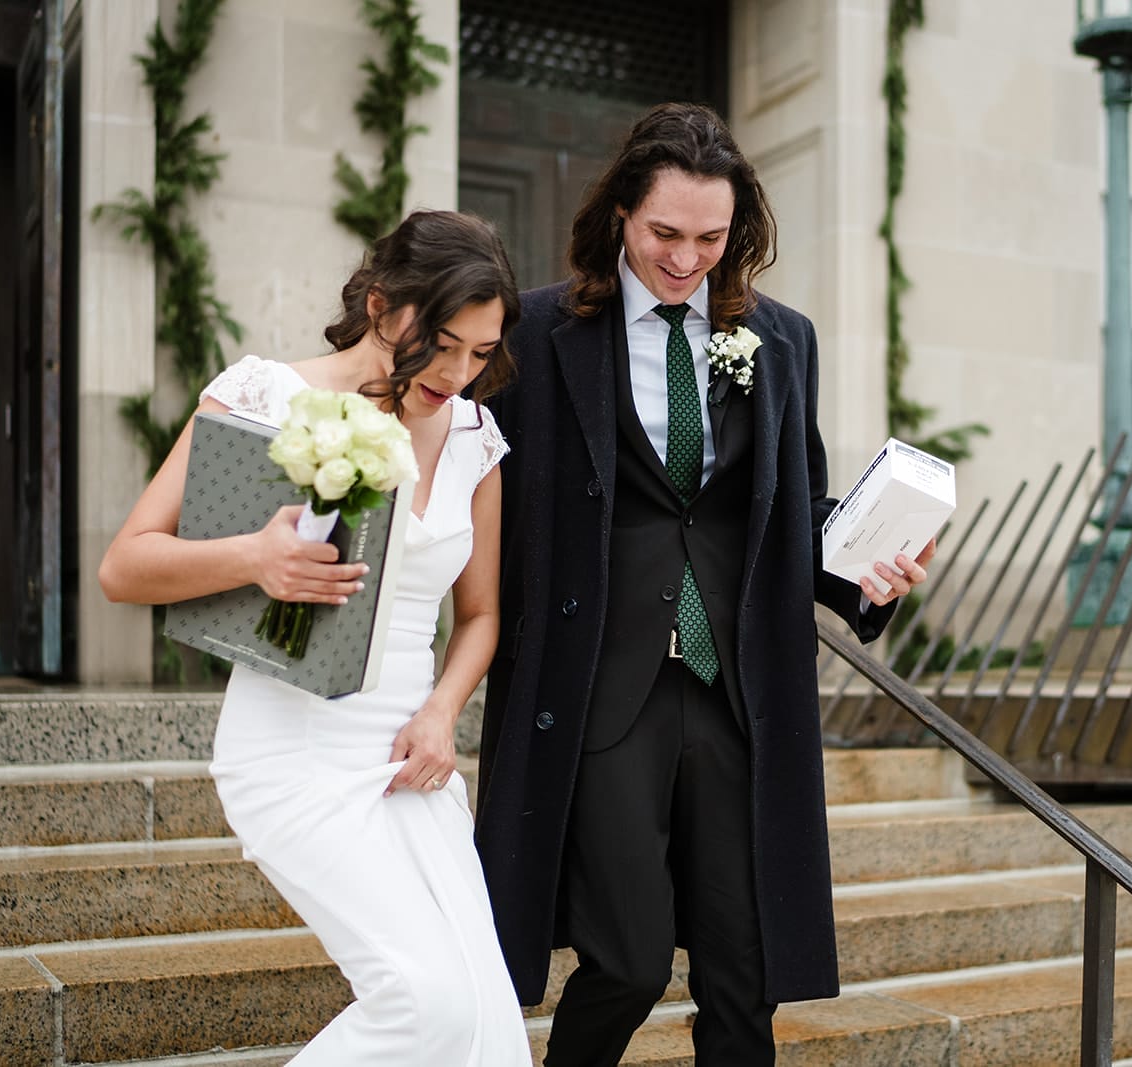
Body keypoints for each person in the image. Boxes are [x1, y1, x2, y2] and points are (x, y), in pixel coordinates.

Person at [475, 102, 934, 1065]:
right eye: (665, 235)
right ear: (619, 219)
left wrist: (868, 579)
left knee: (745, 972)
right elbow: (477, 493)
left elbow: (797, 511)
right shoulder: (541, 331)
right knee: (631, 960)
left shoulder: (783, 339)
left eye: (713, 238)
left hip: (739, 692)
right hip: (600, 688)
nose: (688, 260)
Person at [99, 210, 532, 1066]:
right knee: (424, 1002)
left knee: (485, 1025)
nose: (457, 372)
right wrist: (255, 558)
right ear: (381, 306)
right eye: (442, 343)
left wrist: (445, 710)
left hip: (414, 758)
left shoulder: (478, 437)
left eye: (481, 353)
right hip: (292, 751)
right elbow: (124, 566)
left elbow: (480, 615)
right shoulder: (265, 393)